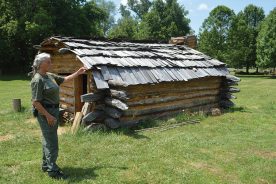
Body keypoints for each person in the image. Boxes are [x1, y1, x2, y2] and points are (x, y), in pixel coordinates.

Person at [31, 52, 87, 180]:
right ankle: (53, 170)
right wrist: (48, 116)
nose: (51, 63)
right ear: (41, 64)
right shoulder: (38, 79)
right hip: (46, 113)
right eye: (48, 62)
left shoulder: (49, 76)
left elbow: (64, 79)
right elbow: (36, 102)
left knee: (48, 139)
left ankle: (46, 165)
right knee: (52, 142)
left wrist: (78, 73)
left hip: (54, 111)